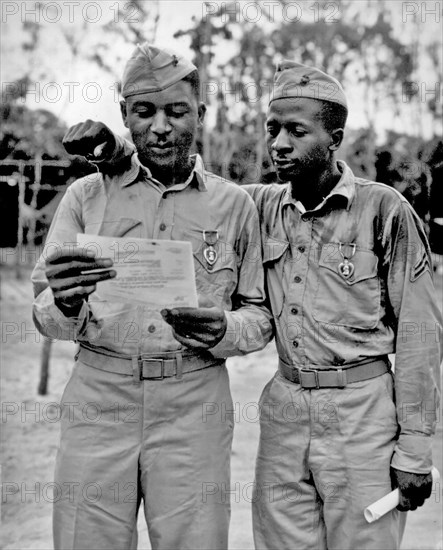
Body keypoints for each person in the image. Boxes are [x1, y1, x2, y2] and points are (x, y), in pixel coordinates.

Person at [67, 60, 442, 550]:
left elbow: (420, 332)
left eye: (297, 131)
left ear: (335, 138)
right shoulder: (258, 206)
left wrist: (415, 447)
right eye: (273, 129)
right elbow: (182, 191)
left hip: (363, 410)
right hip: (285, 409)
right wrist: (118, 157)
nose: (279, 143)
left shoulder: (384, 211)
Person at [31, 43, 273, 550]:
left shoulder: (233, 205)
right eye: (145, 111)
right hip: (99, 395)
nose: (161, 126)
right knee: (85, 538)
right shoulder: (86, 196)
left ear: (200, 115)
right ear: (125, 115)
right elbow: (43, 310)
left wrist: (226, 330)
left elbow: (259, 314)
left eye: (176, 111)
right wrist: (67, 303)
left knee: (196, 540)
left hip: (194, 401)